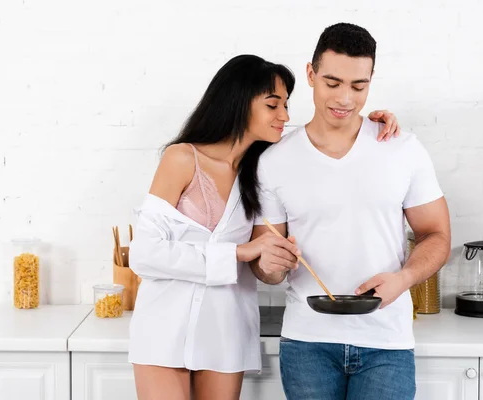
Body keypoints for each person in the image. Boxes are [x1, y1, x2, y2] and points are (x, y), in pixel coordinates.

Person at [128, 54, 401, 400]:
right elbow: (145, 254)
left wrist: (370, 126)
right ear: (239, 102)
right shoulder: (182, 159)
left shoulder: (264, 170)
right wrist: (240, 252)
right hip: (164, 328)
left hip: (227, 331)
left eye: (286, 105)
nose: (285, 116)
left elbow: (326, 147)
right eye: (273, 105)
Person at [250, 23, 451, 400]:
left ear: (371, 80)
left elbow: (436, 234)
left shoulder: (401, 148)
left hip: (386, 343)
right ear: (310, 74)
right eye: (332, 83)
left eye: (359, 87)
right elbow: (266, 268)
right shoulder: (274, 161)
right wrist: (271, 264)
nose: (344, 98)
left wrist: (405, 278)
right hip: (307, 344)